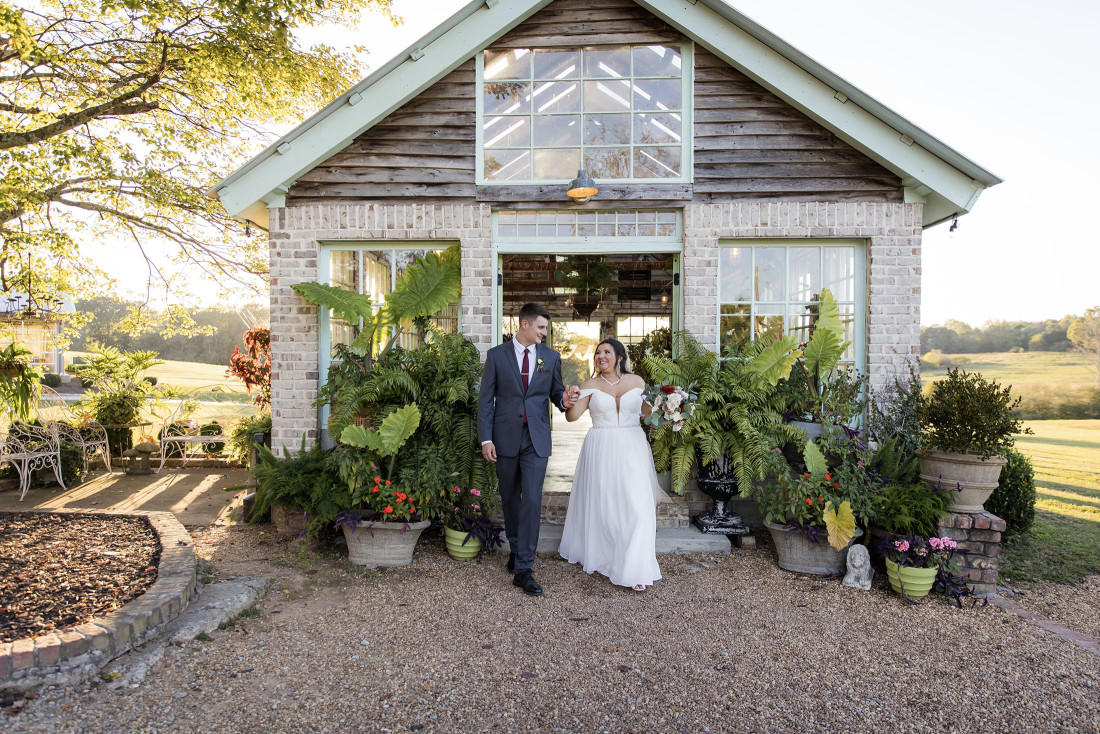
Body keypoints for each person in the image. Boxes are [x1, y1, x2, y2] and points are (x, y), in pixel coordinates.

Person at [478, 303, 576, 597]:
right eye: (541, 328)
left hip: (536, 439)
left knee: (532, 500)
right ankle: (517, 549)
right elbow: (485, 401)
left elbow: (556, 394)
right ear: (524, 324)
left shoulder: (550, 357)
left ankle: (524, 568)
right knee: (509, 498)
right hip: (504, 437)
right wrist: (486, 439)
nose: (545, 333)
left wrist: (566, 399)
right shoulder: (496, 356)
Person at [558, 338, 662, 592]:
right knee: (606, 506)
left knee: (638, 505)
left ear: (619, 357)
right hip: (601, 447)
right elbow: (572, 417)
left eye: (606, 352)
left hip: (632, 446)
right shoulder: (589, 385)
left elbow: (650, 412)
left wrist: (670, 409)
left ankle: (636, 567)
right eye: (597, 353)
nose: (600, 356)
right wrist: (568, 402)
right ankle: (610, 555)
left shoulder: (637, 382)